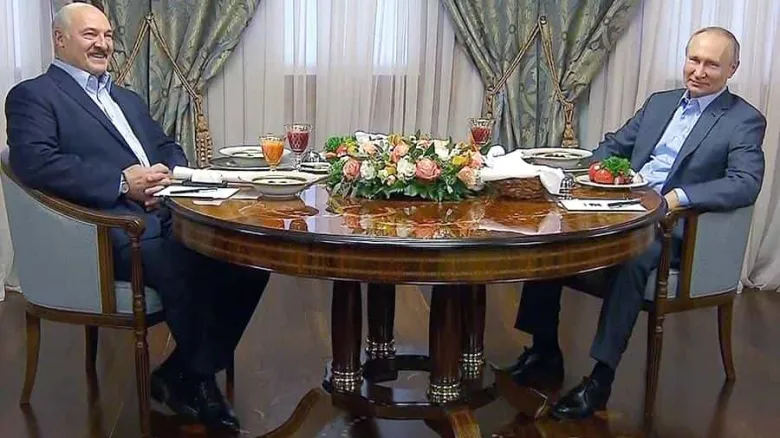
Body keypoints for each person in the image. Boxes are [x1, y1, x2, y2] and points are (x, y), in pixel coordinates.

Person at [4, 3, 269, 432]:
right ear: (60, 40)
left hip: (166, 212)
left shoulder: (125, 98)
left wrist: (170, 177)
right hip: (106, 229)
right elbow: (36, 164)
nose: (103, 44)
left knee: (251, 257)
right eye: (90, 35)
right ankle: (200, 383)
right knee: (184, 262)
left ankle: (179, 372)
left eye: (108, 35)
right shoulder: (33, 96)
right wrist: (121, 184)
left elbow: (166, 146)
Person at [510, 26, 765, 420]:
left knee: (635, 255)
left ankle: (601, 380)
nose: (698, 71)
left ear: (732, 69)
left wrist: (678, 197)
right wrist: (588, 175)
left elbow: (745, 182)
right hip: (621, 210)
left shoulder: (743, 120)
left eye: (712, 65)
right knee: (552, 233)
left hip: (672, 229)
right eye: (693, 59)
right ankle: (544, 350)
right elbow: (615, 146)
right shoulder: (660, 103)